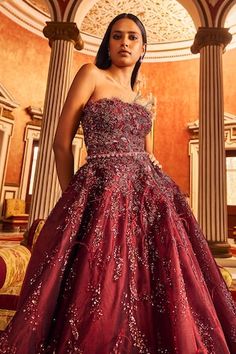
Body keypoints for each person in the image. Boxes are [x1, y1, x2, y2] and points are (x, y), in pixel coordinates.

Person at [0, 13, 236, 354]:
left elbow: (146, 151)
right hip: (98, 190)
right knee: (100, 279)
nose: (124, 42)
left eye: (132, 38)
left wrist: (155, 172)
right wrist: (74, 196)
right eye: (117, 36)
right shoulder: (90, 75)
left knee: (153, 276)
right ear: (108, 44)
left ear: (143, 49)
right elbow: (60, 142)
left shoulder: (142, 97)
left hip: (147, 196)